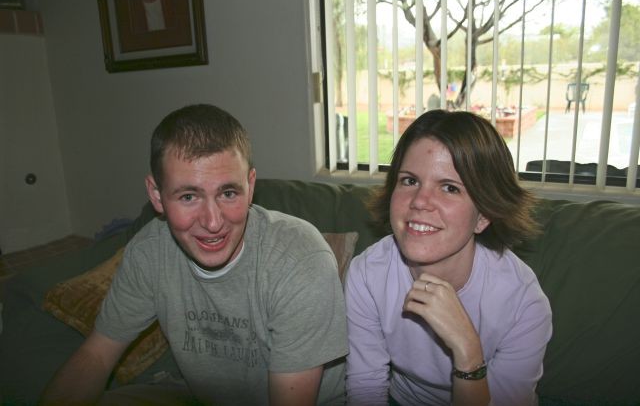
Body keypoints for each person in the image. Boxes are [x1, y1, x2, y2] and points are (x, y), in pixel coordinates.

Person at [41, 104, 348, 405]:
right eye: (189, 196)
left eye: (228, 193)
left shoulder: (299, 259)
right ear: (156, 195)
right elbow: (97, 355)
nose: (213, 222)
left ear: (250, 185)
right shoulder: (149, 253)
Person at [344, 109, 552, 406]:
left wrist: (468, 352)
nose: (420, 202)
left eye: (450, 188)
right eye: (410, 181)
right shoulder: (367, 275)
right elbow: (366, 386)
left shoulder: (523, 303)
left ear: (484, 215)